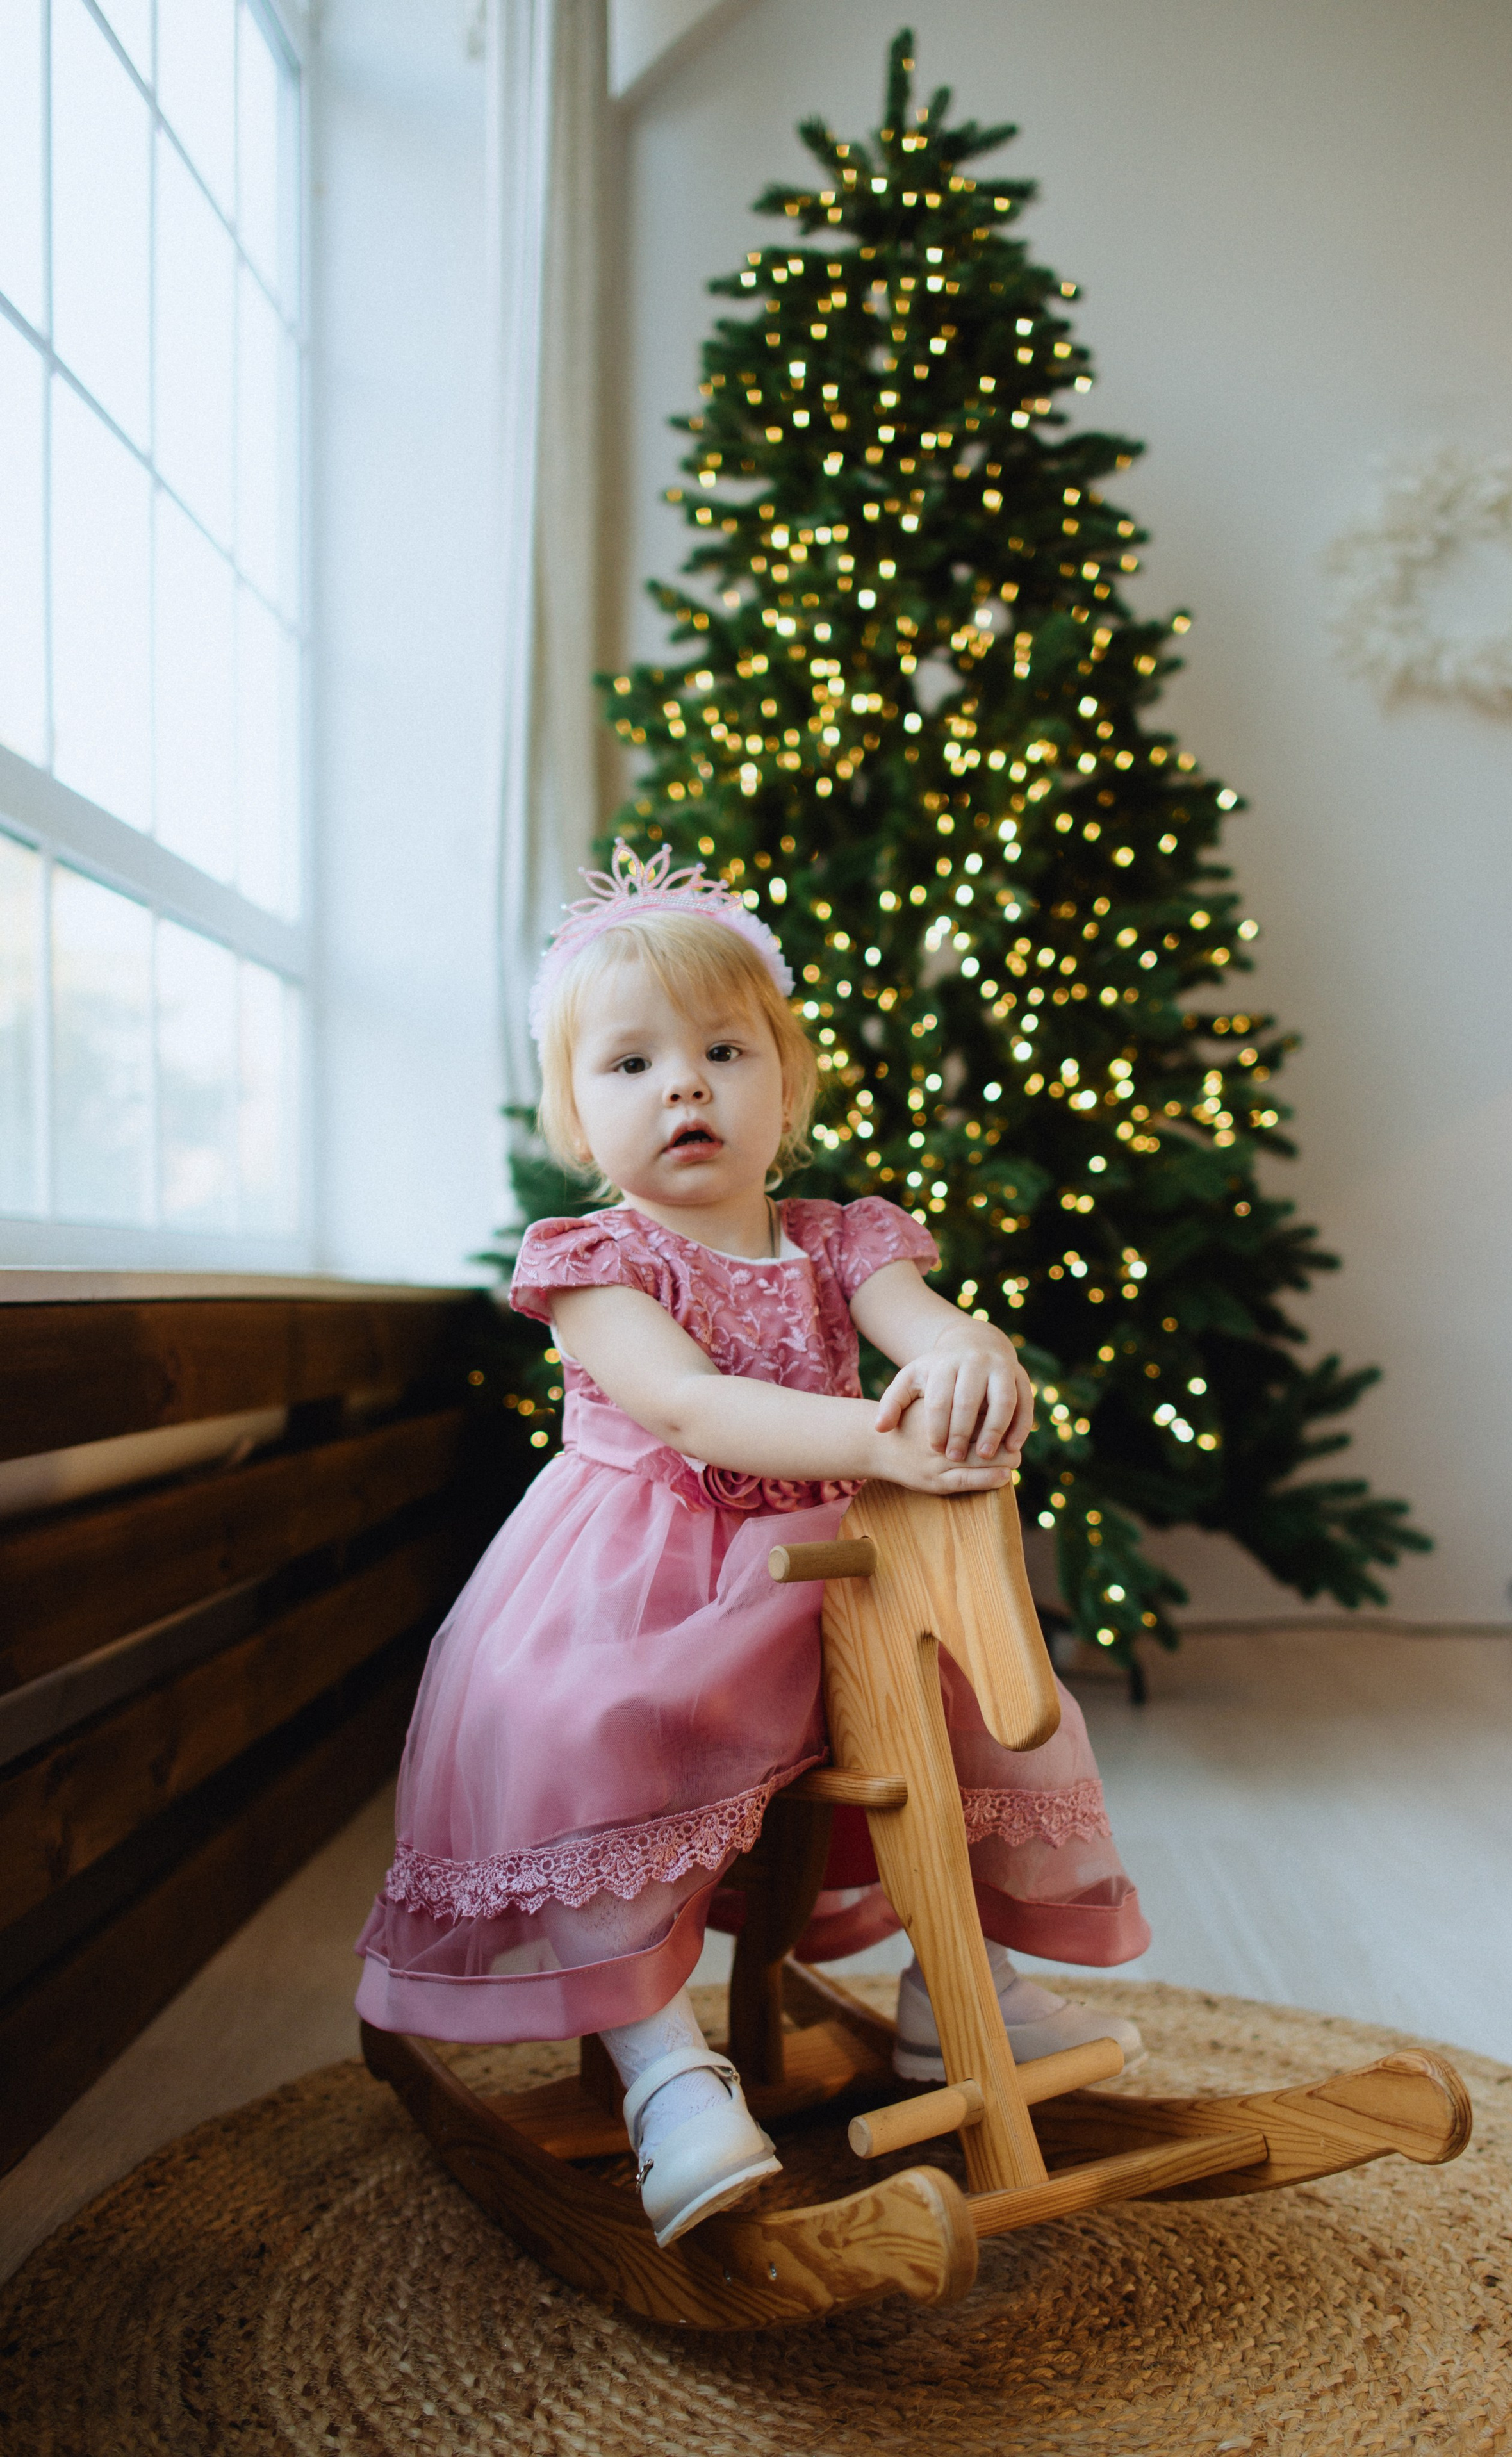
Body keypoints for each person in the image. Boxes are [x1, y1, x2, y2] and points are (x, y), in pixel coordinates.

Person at [356, 844, 1150, 2246]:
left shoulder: (842, 1241)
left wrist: (970, 1359)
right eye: (632, 1064)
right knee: (597, 1727)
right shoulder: (600, 1263)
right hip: (644, 1578)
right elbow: (688, 1406)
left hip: (837, 1569)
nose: (686, 1088)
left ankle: (957, 1990)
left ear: (788, 1081)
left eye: (724, 1052)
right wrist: (877, 1443)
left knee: (983, 1701)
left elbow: (925, 1327)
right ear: (573, 1113)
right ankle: (664, 2067)